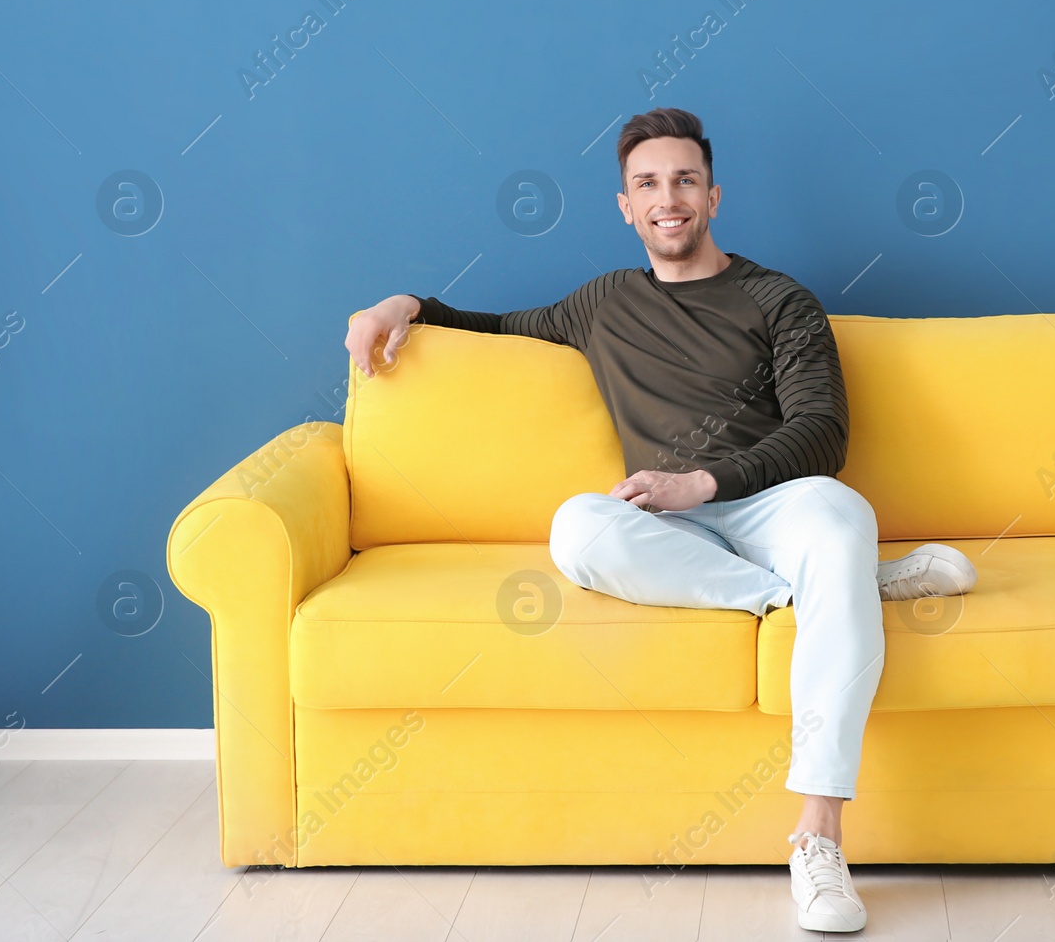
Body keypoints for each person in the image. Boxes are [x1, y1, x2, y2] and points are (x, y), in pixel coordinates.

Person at [344, 107, 976, 933]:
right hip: (669, 530)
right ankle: (835, 591)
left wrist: (703, 481)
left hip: (770, 498)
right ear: (625, 205)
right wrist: (401, 304)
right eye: (648, 183)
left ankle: (818, 836)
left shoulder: (778, 298)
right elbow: (492, 329)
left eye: (683, 180)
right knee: (577, 526)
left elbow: (824, 433)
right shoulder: (601, 303)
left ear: (713, 196)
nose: (666, 198)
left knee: (841, 515)